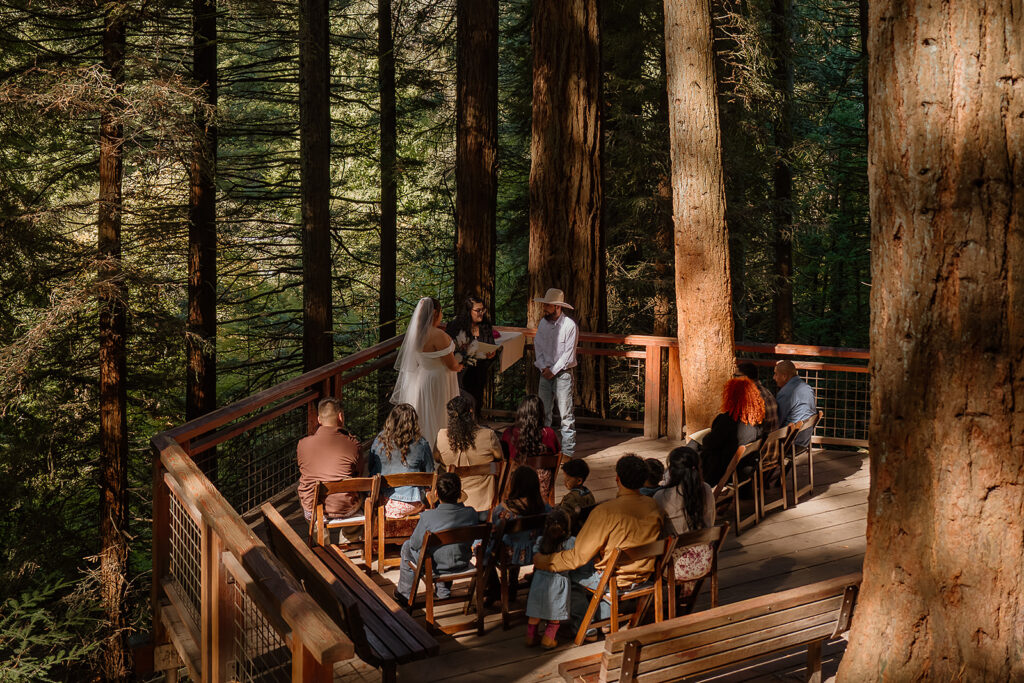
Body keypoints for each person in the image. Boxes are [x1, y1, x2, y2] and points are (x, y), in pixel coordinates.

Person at [532, 454, 663, 640]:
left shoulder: (606, 511)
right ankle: (606, 617)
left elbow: (578, 558)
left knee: (567, 570)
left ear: (617, 479)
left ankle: (586, 627)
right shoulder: (654, 506)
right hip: (644, 574)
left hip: (612, 578)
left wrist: (544, 561)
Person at [394, 472, 480, 607]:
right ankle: (443, 590)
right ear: (459, 494)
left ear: (437, 495)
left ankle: (404, 593)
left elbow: (415, 544)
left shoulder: (428, 517)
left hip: (435, 567)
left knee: (407, 546)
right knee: (446, 550)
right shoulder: (471, 513)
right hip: (462, 562)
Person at [392, 297, 462, 449]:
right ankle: (441, 449)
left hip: (423, 378)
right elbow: (451, 364)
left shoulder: (415, 333)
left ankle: (423, 449)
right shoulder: (438, 335)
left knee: (425, 414)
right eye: (441, 312)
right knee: (439, 412)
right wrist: (460, 366)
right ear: (435, 313)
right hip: (439, 379)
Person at [653, 447, 716, 596]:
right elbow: (711, 523)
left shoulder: (661, 496)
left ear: (672, 470)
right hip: (705, 562)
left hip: (674, 566)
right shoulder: (706, 490)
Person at [296, 398, 364, 535]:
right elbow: (359, 473)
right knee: (362, 494)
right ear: (340, 417)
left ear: (319, 419)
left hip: (314, 509)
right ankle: (349, 538)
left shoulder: (302, 444)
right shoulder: (353, 445)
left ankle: (320, 537)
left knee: (300, 492)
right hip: (345, 509)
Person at [486, 466, 550, 604]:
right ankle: (514, 584)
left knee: (484, 551)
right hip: (536, 552)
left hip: (509, 555)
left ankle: (496, 589)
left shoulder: (503, 510)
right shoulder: (544, 507)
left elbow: (496, 533)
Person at [369, 403, 435, 535]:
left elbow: (372, 470)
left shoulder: (379, 441)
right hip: (413, 504)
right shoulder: (421, 444)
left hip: (385, 503)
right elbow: (430, 475)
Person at [434, 395, 503, 512]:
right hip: (483, 503)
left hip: (452, 503)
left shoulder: (441, 435)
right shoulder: (488, 435)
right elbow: (500, 457)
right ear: (471, 412)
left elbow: (436, 458)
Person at [533, 288, 579, 457]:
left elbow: (568, 354)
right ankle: (545, 448)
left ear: (557, 307)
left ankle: (567, 453)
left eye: (548, 305)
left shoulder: (570, 326)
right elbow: (539, 346)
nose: (544, 307)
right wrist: (543, 367)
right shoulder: (543, 323)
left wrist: (552, 370)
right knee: (543, 413)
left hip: (563, 374)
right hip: (545, 372)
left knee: (566, 415)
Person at [699, 377, 765, 488]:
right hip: (746, 469)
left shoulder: (727, 420)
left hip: (726, 472)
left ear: (730, 397)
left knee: (693, 450)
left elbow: (709, 443)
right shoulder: (756, 422)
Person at [525, 509, 575, 649]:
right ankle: (548, 639)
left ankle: (530, 637)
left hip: (539, 579)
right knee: (555, 613)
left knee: (535, 612)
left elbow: (535, 556)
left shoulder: (541, 540)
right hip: (559, 581)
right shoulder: (571, 542)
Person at [501, 394, 560, 501]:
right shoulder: (549, 433)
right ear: (541, 413)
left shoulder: (509, 434)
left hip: (514, 491)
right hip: (541, 492)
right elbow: (557, 453)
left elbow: (503, 458)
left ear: (520, 412)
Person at [446, 296, 498, 417]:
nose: (481, 313)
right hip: (461, 373)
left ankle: (475, 428)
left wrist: (492, 354)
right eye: (478, 310)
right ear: (468, 311)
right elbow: (447, 349)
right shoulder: (455, 326)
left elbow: (491, 345)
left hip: (479, 372)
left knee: (477, 402)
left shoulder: (486, 327)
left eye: (483, 310)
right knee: (463, 404)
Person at [774, 360, 817, 447]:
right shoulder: (807, 387)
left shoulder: (785, 392)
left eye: (776, 374)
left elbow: (777, 421)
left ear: (784, 376)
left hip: (790, 442)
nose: (774, 377)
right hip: (805, 438)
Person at [738, 361, 779, 437]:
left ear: (745, 378)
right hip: (771, 443)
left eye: (736, 376)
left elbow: (749, 432)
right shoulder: (767, 392)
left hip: (760, 445)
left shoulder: (752, 399)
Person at [557, 458, 596, 533]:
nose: (564, 482)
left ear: (579, 481)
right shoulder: (589, 494)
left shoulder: (570, 498)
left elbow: (563, 517)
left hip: (575, 531)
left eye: (567, 479)